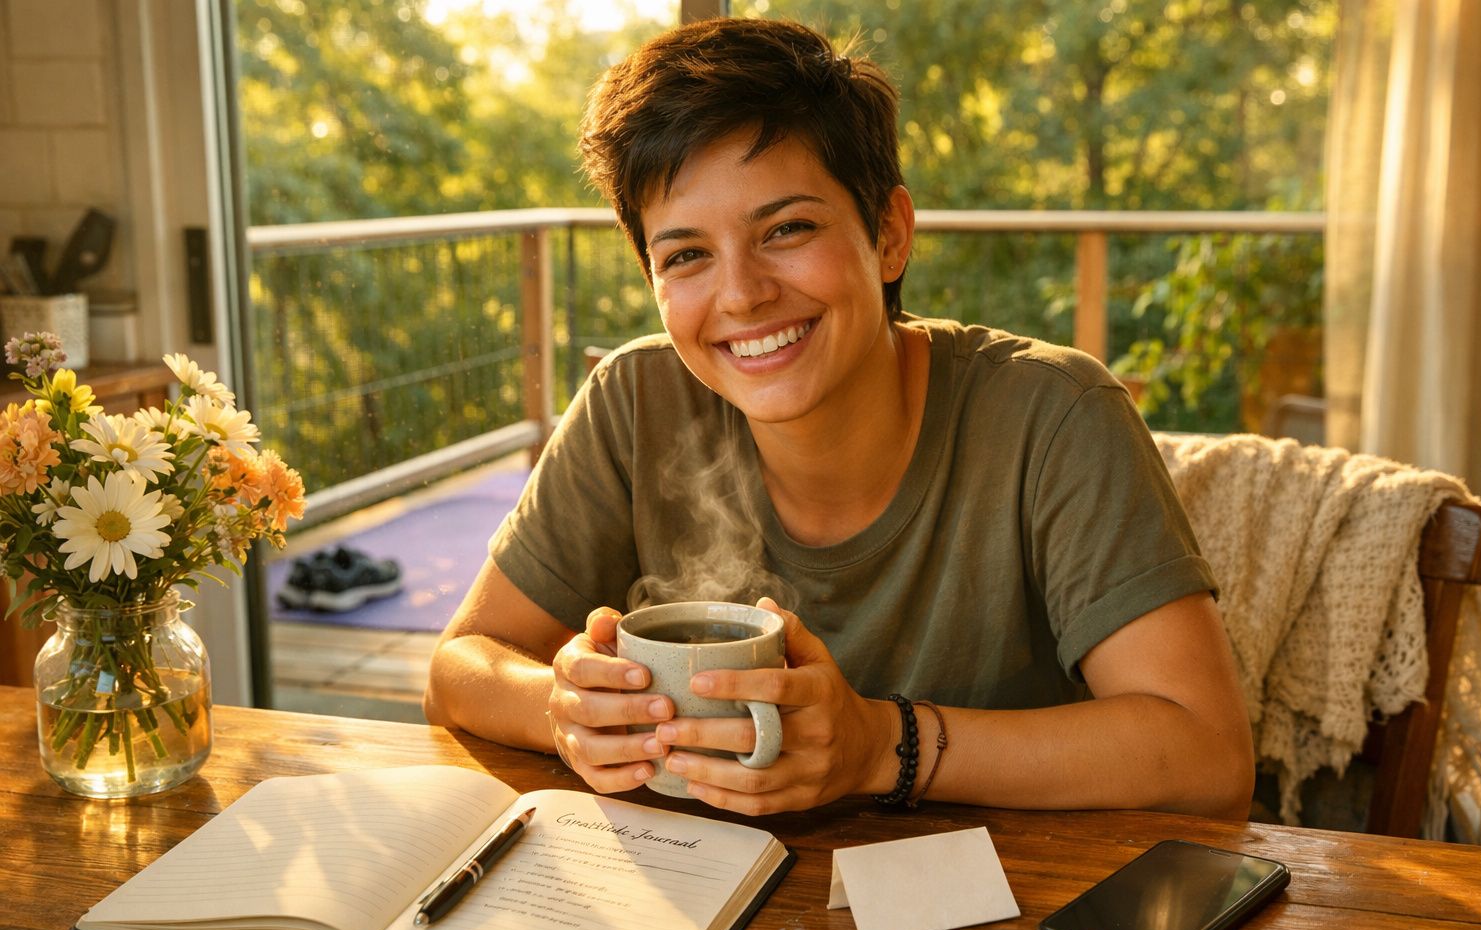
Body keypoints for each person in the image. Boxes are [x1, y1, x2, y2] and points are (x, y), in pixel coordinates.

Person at [424, 17, 1254, 819]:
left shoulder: (1056, 416)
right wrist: (563, 711)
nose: (742, 294)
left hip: (1003, 926)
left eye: (787, 229)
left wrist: (879, 749)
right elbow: (460, 667)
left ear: (889, 235)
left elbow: (1208, 759)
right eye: (686, 255)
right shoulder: (636, 401)